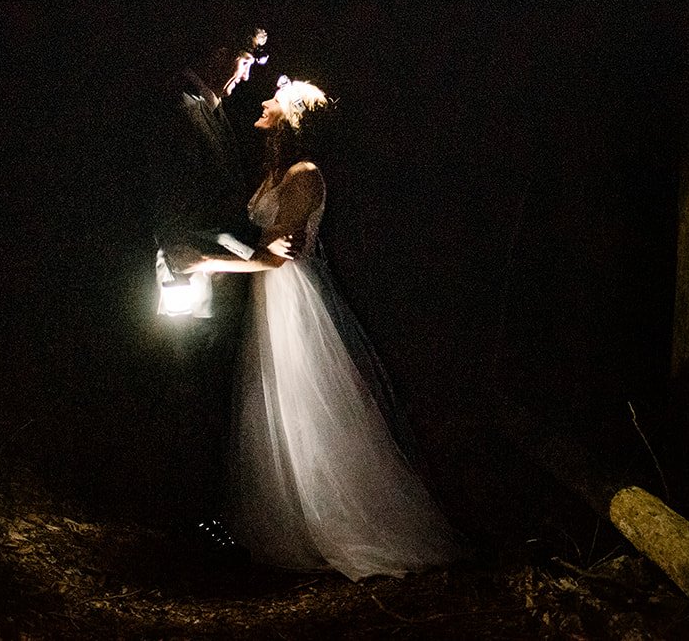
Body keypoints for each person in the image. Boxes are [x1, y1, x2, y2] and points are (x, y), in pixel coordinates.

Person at [190, 74, 464, 580]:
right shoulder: (275, 170)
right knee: (269, 405)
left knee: (306, 406)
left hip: (293, 301)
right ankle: (284, 523)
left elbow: (277, 255)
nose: (266, 99)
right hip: (266, 298)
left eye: (276, 96)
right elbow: (257, 240)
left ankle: (345, 522)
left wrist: (206, 261)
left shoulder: (306, 173)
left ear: (291, 117)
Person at [152, 34, 282, 551]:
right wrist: (236, 254)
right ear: (216, 47)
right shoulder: (179, 110)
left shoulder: (212, 109)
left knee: (205, 389)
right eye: (245, 59)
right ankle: (188, 521)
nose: (247, 74)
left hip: (213, 269)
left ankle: (202, 514)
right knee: (189, 390)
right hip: (187, 272)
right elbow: (180, 201)